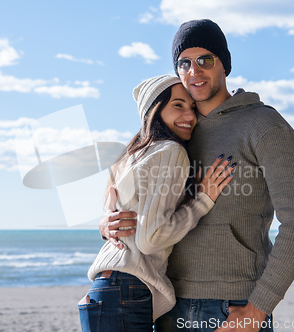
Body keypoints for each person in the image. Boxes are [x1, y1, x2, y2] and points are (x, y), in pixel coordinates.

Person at [100, 19, 294, 332]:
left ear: (224, 64)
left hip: (232, 306)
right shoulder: (174, 134)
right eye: (184, 63)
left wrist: (257, 309)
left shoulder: (264, 126)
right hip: (167, 304)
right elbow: (136, 203)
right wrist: (106, 226)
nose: (194, 71)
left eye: (205, 59)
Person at [78, 74, 236, 332]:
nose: (190, 116)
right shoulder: (171, 151)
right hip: (126, 291)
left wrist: (104, 226)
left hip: (105, 289)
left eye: (192, 107)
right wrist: (203, 200)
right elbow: (150, 239)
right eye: (178, 105)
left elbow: (115, 217)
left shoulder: (129, 157)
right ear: (154, 109)